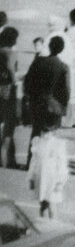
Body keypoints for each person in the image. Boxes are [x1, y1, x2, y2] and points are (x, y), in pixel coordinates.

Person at [28, 124, 68, 219]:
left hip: (52, 179)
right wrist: (31, 178)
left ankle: (53, 225)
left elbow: (62, 164)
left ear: (53, 132)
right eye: (43, 132)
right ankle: (43, 223)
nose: (45, 134)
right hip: (40, 178)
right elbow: (33, 162)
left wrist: (60, 182)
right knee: (42, 202)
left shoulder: (58, 144)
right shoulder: (37, 142)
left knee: (52, 204)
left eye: (48, 132)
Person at [0, 27, 19, 169]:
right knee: (9, 125)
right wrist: (16, 81)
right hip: (7, 91)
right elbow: (11, 68)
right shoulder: (10, 52)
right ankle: (6, 160)